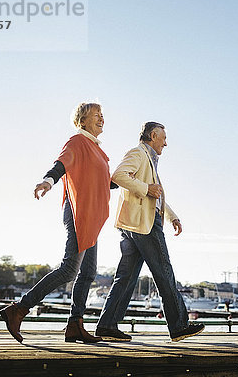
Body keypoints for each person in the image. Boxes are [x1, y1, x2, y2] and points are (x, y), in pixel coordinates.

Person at [0, 102, 111, 344]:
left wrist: (127, 180)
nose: (101, 118)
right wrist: (47, 182)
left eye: (102, 115)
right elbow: (61, 164)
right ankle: (19, 309)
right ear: (82, 121)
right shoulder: (77, 142)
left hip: (91, 217)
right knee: (70, 269)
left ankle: (75, 325)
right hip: (78, 212)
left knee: (88, 272)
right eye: (96, 115)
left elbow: (103, 183)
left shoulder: (98, 150)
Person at [95, 121, 204, 342]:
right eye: (164, 138)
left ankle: (107, 325)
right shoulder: (138, 153)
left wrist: (172, 216)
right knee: (164, 271)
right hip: (144, 225)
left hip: (133, 225)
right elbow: (118, 176)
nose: (166, 143)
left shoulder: (149, 160)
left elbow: (156, 196)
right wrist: (146, 189)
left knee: (125, 278)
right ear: (153, 135)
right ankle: (179, 326)